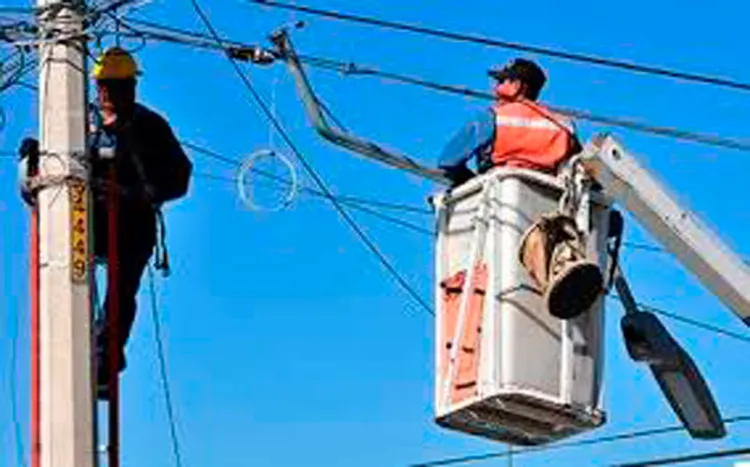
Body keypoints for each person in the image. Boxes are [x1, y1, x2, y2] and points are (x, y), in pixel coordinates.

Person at [19, 47, 193, 399]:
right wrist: (38, 156)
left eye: (120, 85)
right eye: (108, 86)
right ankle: (71, 350)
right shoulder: (77, 120)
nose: (112, 93)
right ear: (97, 86)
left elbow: (180, 175)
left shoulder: (149, 126)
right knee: (66, 272)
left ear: (131, 86)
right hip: (87, 215)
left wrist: (144, 191)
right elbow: (59, 164)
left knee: (122, 287)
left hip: (132, 222)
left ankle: (104, 358)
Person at [437, 58, 582, 186]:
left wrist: (471, 181)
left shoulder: (491, 117)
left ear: (517, 86)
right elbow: (580, 173)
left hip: (498, 201)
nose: (495, 89)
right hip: (549, 204)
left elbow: (447, 162)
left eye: (501, 82)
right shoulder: (564, 127)